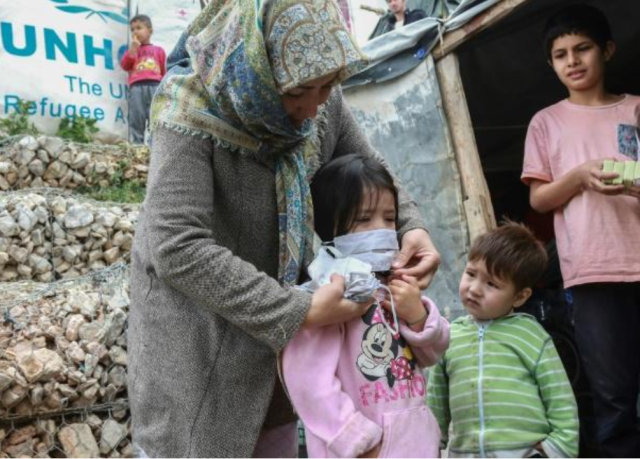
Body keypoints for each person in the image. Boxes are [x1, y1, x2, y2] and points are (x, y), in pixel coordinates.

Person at [127, 0, 442, 457]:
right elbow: (176, 245)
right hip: (197, 344)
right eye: (299, 92)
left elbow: (368, 166)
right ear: (258, 68)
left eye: (327, 86)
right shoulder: (189, 113)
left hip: (276, 348)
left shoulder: (321, 101)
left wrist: (411, 226)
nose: (312, 109)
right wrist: (298, 310)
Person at [522, 4, 640, 457]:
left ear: (607, 50)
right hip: (591, 269)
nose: (572, 61)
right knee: (613, 396)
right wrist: (579, 177)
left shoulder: (634, 109)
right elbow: (539, 199)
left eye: (583, 48)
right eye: (560, 54)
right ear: (550, 63)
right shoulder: (546, 122)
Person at [283, 154, 449, 458]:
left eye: (389, 218)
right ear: (328, 226)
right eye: (363, 219)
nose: (381, 229)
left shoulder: (395, 284)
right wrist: (356, 441)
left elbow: (433, 354)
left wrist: (418, 316)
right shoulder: (328, 295)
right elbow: (307, 381)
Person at [427, 222, 579, 458]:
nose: (475, 289)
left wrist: (558, 447)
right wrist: (429, 446)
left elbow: (560, 398)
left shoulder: (531, 335)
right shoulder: (448, 336)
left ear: (520, 296)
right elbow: (436, 401)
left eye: (491, 284)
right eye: (471, 274)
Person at [120, 14, 166, 144]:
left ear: (150, 31)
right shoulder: (132, 50)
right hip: (136, 87)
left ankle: (156, 147)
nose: (135, 32)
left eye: (139, 28)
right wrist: (133, 50)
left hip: (155, 87)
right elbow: (125, 65)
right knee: (136, 117)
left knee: (156, 117)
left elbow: (163, 71)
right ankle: (137, 146)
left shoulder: (159, 50)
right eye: (132, 29)